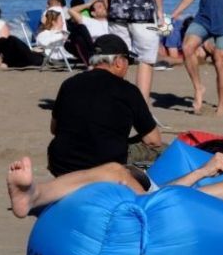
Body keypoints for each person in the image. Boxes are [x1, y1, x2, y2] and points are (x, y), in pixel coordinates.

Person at [8, 121, 223, 229]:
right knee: (118, 170)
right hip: (166, 209)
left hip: (185, 219)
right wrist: (203, 171)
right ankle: (35, 196)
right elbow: (162, 193)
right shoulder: (214, 183)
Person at [46, 34, 163, 176]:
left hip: (61, 164)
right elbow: (153, 141)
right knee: (162, 150)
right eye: (128, 61)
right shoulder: (128, 90)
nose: (127, 67)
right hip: (103, 165)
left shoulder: (69, 84)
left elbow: (54, 129)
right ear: (119, 61)